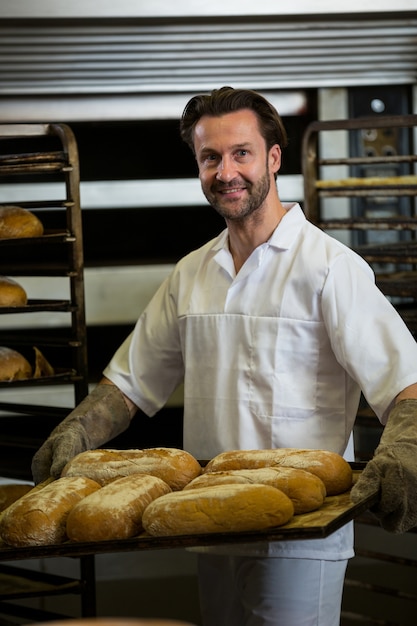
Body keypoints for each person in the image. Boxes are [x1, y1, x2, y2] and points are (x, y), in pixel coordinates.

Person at [32, 86, 417, 626]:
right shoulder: (191, 273)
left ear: (273, 158)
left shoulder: (329, 268)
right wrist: (79, 429)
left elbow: (406, 384)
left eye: (241, 153)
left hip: (300, 534)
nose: (225, 171)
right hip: (208, 522)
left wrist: (404, 452)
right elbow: (132, 383)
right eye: (209, 157)